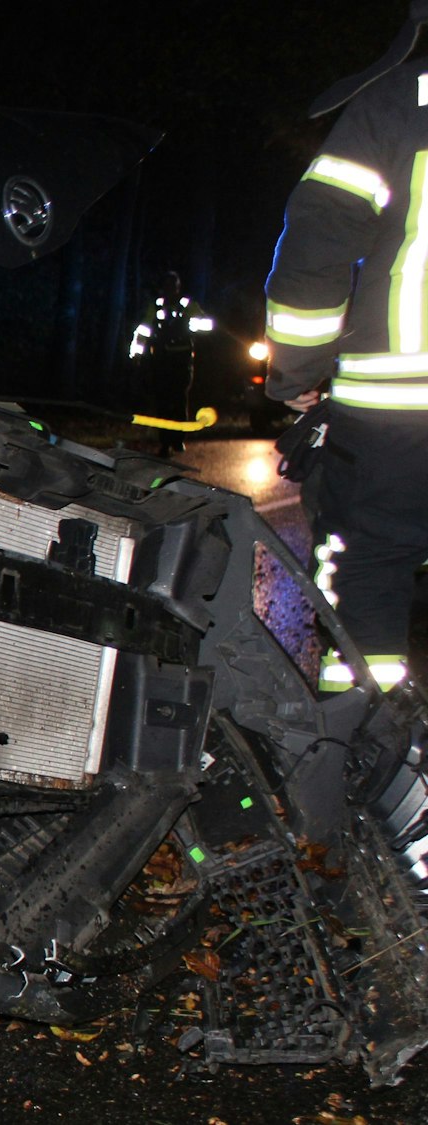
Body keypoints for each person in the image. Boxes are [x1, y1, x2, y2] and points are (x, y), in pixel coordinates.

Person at [264, 0, 428, 693]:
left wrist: (297, 370)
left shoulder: (396, 104)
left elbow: (319, 240)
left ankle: (354, 768)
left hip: (398, 414)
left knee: (367, 587)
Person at [128, 271, 215, 451]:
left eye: (172, 286)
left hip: (181, 361)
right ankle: (165, 442)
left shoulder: (188, 306)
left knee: (179, 401)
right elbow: (143, 331)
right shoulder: (157, 307)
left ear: (178, 288)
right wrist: (136, 353)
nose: (169, 290)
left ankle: (177, 439)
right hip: (161, 361)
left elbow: (208, 325)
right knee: (162, 403)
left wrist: (192, 325)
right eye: (167, 286)